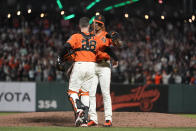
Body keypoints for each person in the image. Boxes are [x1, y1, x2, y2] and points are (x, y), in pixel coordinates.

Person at [57, 17, 101, 127]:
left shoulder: (76, 36)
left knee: (72, 92)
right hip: (92, 66)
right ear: (89, 26)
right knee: (85, 93)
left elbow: (66, 46)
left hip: (80, 64)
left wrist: (59, 58)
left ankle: (79, 111)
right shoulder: (96, 38)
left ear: (79, 26)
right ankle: (84, 120)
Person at [88, 15, 120, 127]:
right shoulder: (90, 35)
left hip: (104, 65)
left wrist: (116, 39)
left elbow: (114, 45)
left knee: (105, 93)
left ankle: (108, 119)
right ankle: (93, 118)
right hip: (92, 65)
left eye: (97, 23)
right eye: (95, 23)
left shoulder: (106, 35)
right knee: (91, 93)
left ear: (101, 25)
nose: (95, 24)